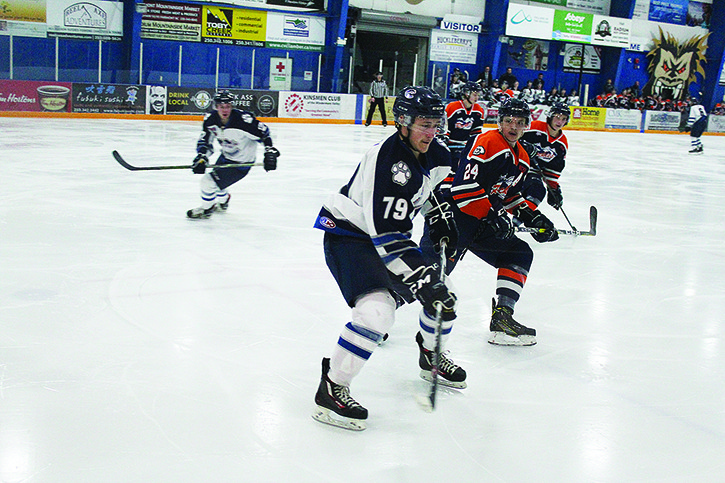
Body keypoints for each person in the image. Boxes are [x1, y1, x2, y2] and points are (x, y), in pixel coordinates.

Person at [312, 86, 464, 431]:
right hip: (350, 236)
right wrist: (421, 279)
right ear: (404, 122)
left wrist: (440, 216)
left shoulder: (437, 154)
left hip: (382, 236)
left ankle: (431, 355)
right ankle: (332, 387)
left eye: (435, 123)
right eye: (424, 124)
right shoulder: (390, 162)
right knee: (377, 312)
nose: (431, 132)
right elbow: (387, 234)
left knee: (446, 291)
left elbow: (430, 192)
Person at [421, 98, 558, 347]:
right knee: (426, 275)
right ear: (499, 121)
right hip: (453, 218)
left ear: (527, 124)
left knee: (518, 253)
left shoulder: (523, 156)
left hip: (480, 221)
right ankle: (375, 317)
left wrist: (534, 216)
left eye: (519, 122)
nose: (513, 127)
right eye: (508, 121)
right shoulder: (487, 142)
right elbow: (464, 189)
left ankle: (503, 318)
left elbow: (508, 194)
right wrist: (493, 215)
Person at [187, 90, 279, 219]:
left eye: (228, 106)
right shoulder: (210, 120)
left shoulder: (243, 121)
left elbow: (263, 132)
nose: (225, 110)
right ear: (216, 106)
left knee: (207, 182)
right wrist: (202, 156)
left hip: (241, 163)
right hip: (226, 156)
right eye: (221, 106)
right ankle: (223, 202)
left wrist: (269, 151)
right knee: (217, 183)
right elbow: (205, 141)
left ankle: (206, 209)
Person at [519, 102, 570, 212]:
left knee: (537, 191)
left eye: (563, 119)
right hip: (514, 166)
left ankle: (516, 222)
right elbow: (510, 138)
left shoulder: (562, 144)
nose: (559, 122)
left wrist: (554, 189)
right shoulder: (534, 128)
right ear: (550, 116)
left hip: (531, 172)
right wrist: (521, 145)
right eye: (557, 117)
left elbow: (553, 170)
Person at [441, 81, 485, 168]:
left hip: (464, 145)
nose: (477, 97)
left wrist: (475, 143)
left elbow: (476, 131)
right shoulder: (452, 107)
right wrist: (444, 139)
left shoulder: (478, 110)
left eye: (478, 95)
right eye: (475, 94)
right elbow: (445, 126)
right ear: (467, 93)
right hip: (450, 144)